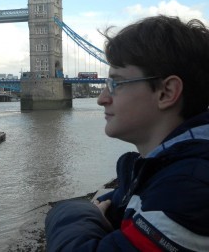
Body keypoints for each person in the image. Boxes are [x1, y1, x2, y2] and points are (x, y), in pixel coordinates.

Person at [45, 15, 209, 251]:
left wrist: (71, 210)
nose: (102, 99)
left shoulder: (188, 187)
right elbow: (121, 200)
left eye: (116, 84)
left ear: (166, 92)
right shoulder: (162, 168)